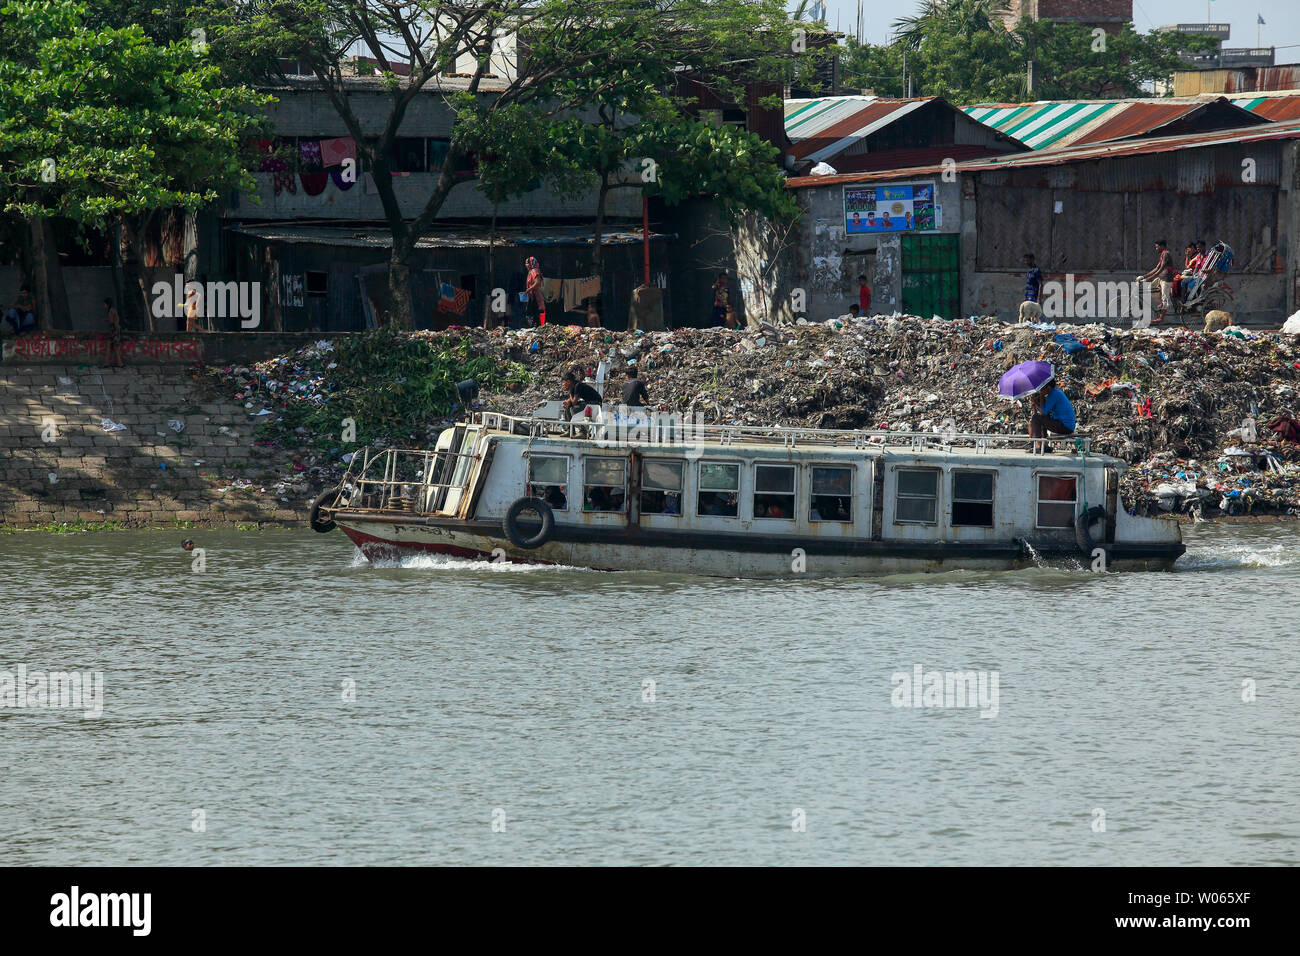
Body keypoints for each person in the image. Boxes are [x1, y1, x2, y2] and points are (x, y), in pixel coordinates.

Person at [1138, 239, 1175, 324]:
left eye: (1157, 247)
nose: (1156, 249)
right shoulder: (1162, 254)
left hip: (1167, 279)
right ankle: (1161, 303)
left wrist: (1149, 278)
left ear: (1162, 246)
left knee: (1165, 298)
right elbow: (1157, 268)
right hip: (1161, 278)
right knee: (1150, 288)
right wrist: (1144, 276)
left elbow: (1161, 268)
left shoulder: (1166, 254)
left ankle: (1161, 318)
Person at [1028, 380, 1075, 444]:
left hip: (1065, 426)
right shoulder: (1054, 393)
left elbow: (1042, 413)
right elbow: (1041, 414)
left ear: (1048, 388)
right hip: (1064, 425)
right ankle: (1043, 445)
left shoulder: (1054, 394)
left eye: (1042, 388)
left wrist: (1038, 399)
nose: (1040, 390)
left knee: (1036, 418)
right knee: (1037, 419)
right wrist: (1035, 404)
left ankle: (1038, 445)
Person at [103, 298, 125, 367]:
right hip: (114, 330)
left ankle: (117, 363)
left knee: (113, 347)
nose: (104, 306)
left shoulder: (111, 310)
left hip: (114, 330)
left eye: (104, 304)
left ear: (107, 304)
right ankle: (119, 363)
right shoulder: (112, 310)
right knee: (113, 347)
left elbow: (114, 321)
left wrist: (116, 331)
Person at [524, 256, 544, 326]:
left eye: (527, 263)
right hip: (532, 296)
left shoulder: (534, 271)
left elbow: (537, 282)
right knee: (533, 313)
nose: (525, 265)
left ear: (531, 263)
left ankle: (535, 328)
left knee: (533, 313)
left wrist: (528, 290)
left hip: (535, 296)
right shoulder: (531, 271)